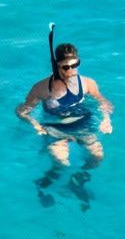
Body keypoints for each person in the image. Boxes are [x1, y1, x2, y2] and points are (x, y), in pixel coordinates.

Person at [15, 42, 113, 208]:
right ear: (56, 65)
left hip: (83, 124)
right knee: (62, 163)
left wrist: (106, 119)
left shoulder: (88, 83)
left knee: (97, 158)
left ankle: (76, 180)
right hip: (55, 128)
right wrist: (34, 124)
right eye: (66, 67)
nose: (71, 71)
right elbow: (21, 111)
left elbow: (103, 101)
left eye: (75, 65)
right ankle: (42, 183)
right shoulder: (41, 88)